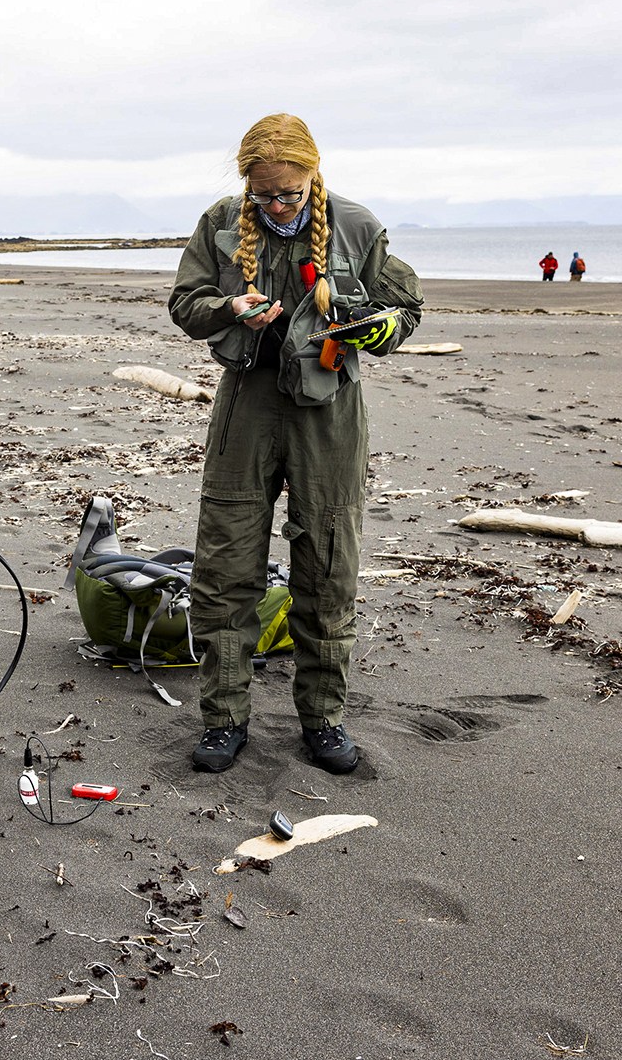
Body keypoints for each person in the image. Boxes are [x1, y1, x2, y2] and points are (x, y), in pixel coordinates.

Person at [167, 113, 423, 775]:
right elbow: (185, 303)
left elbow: (406, 310)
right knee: (226, 561)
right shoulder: (220, 223)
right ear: (247, 185)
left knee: (328, 562)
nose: (277, 205)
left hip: (330, 413)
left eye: (289, 193)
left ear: (314, 176)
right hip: (245, 407)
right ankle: (224, 720)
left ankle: (324, 719)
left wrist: (379, 329)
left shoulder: (358, 228)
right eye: (264, 194)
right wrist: (229, 309)